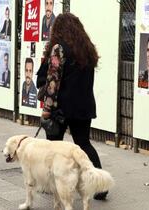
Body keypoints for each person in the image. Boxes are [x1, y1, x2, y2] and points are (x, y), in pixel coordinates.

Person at [39, 13, 108, 200]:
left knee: (53, 146)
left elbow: (53, 81)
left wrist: (47, 108)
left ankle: (52, 184)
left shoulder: (58, 49)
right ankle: (101, 185)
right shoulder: (86, 50)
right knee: (84, 143)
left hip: (61, 107)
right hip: (83, 105)